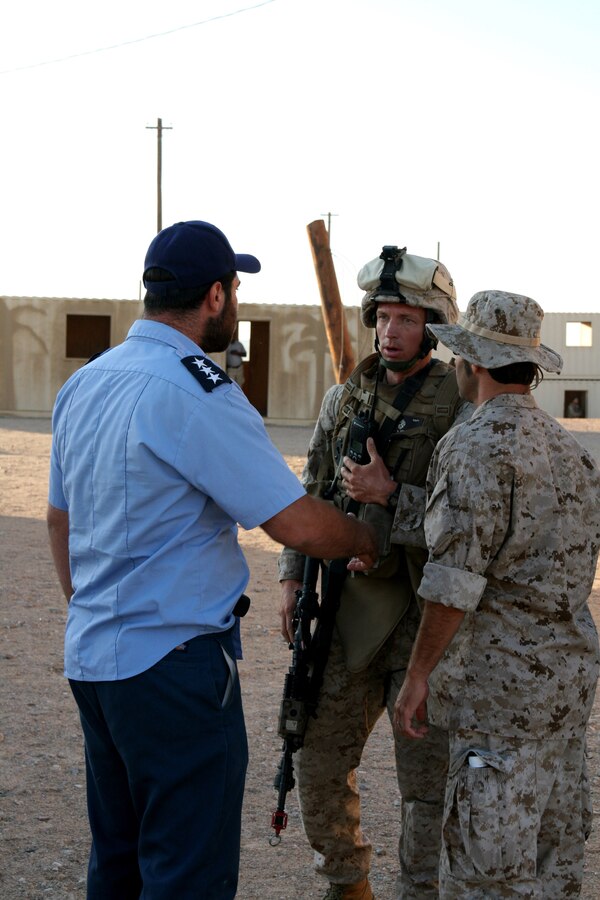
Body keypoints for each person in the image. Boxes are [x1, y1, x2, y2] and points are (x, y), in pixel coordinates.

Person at [46, 220, 378, 900]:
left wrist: (93, 611)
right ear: (218, 297)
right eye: (235, 287)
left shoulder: (88, 382)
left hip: (95, 660)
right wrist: (368, 539)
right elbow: (294, 521)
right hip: (174, 669)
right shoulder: (198, 392)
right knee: (186, 870)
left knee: (118, 861)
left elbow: (59, 518)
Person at [278, 245, 473, 900]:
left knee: (426, 785)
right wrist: (291, 573)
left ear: (433, 327)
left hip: (424, 621)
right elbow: (313, 490)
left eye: (406, 319)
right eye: (383, 317)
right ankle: (347, 885)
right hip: (346, 612)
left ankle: (418, 890)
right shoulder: (343, 398)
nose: (390, 331)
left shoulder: (463, 407)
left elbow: (470, 529)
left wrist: (393, 498)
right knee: (317, 762)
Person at [394, 290, 600, 898]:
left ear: (474, 364)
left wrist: (417, 675)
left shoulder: (471, 446)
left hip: (497, 703)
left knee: (487, 877)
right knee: (554, 868)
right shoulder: (573, 452)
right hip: (564, 695)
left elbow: (453, 583)